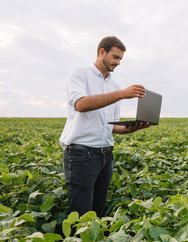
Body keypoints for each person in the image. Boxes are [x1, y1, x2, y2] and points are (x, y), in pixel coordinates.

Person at [59, 35, 149, 218]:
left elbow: (108, 126)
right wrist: (121, 94)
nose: (118, 62)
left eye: (120, 59)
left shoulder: (114, 86)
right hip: (81, 153)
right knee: (81, 214)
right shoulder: (80, 73)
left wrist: (129, 129)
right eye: (115, 57)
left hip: (105, 155)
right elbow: (81, 105)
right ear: (102, 52)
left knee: (97, 211)